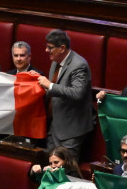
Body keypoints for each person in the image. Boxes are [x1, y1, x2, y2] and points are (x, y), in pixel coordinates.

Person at [38, 29, 94, 160]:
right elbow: (52, 89)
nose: (46, 50)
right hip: (54, 125)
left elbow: (77, 93)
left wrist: (49, 85)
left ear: (62, 48)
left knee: (67, 170)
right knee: (51, 167)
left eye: (50, 47)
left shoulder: (79, 65)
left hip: (71, 129)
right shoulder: (55, 62)